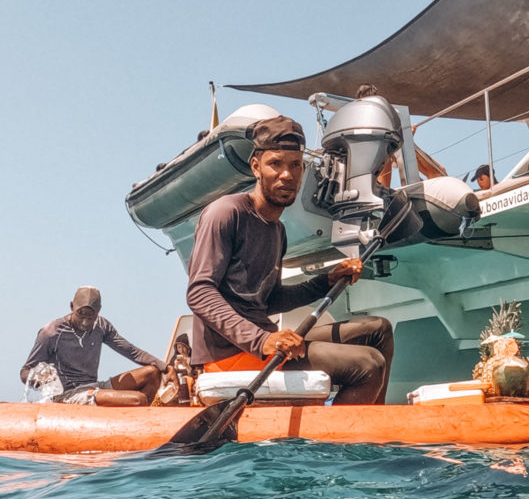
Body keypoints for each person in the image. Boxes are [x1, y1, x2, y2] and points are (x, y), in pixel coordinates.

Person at [186, 116, 394, 404]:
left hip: (266, 341)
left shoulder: (277, 230)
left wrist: (327, 281)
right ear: (256, 166)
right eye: (276, 164)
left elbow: (269, 301)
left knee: (378, 330)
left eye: (295, 165)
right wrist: (263, 341)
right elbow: (200, 293)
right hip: (232, 354)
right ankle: (342, 446)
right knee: (368, 364)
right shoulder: (225, 213)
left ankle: (373, 424)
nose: (287, 175)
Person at [20, 287, 173, 406]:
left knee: (153, 373)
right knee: (138, 399)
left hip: (95, 387)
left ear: (98, 311)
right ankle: (136, 419)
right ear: (72, 306)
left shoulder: (101, 325)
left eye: (90, 316)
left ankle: (146, 420)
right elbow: (25, 372)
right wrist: (44, 380)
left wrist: (166, 367)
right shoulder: (51, 332)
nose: (85, 322)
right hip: (69, 394)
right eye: (81, 314)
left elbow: (131, 351)